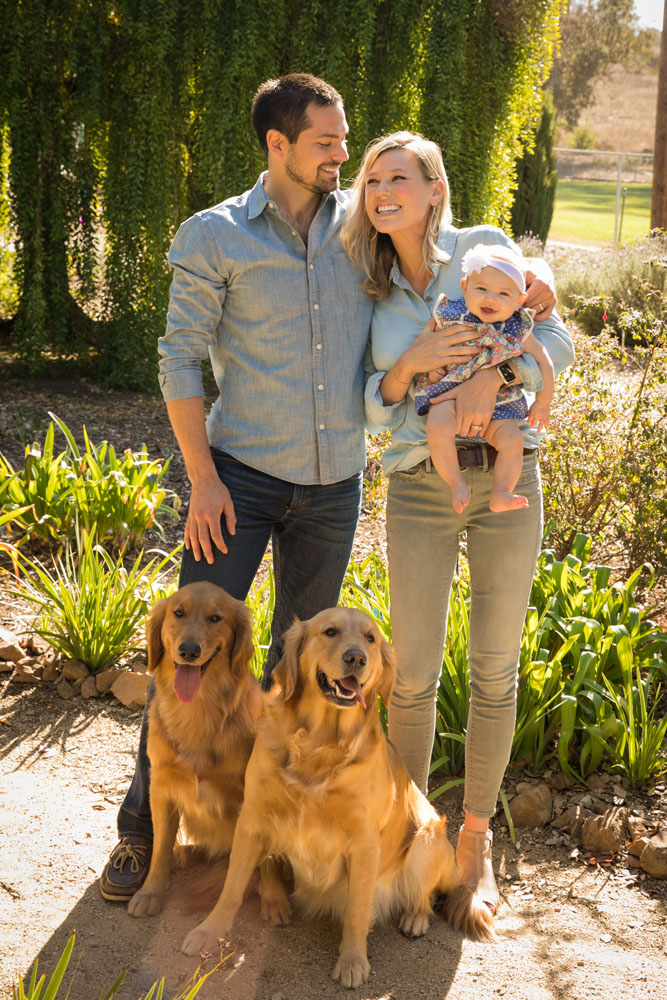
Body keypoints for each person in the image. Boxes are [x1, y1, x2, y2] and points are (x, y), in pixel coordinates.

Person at [100, 73, 374, 902]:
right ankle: (140, 832)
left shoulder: (364, 224)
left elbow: (452, 251)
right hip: (239, 485)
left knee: (298, 675)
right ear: (277, 144)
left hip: (334, 489)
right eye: (326, 141)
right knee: (184, 663)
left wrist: (524, 289)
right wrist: (204, 479)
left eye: (344, 139)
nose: (341, 154)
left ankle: (275, 839)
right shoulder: (214, 234)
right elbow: (179, 357)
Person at [341, 131, 574, 931]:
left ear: (435, 189)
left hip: (507, 475)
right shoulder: (367, 288)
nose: (381, 189)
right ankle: (408, 841)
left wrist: (488, 372)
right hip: (417, 483)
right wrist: (408, 368)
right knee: (407, 675)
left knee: (493, 669)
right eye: (372, 178)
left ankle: (471, 846)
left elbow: (556, 340)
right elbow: (367, 403)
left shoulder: (483, 250)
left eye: (397, 176)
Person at [415, 242, 554, 513]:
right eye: (482, 289)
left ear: (520, 300)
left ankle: (501, 492)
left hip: (500, 407)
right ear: (465, 287)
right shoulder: (450, 315)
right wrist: (433, 370)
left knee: (513, 441)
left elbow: (544, 360)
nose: (491, 299)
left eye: (504, 293)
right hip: (451, 396)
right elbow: (430, 352)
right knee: (437, 425)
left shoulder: (517, 326)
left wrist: (543, 402)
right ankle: (455, 483)